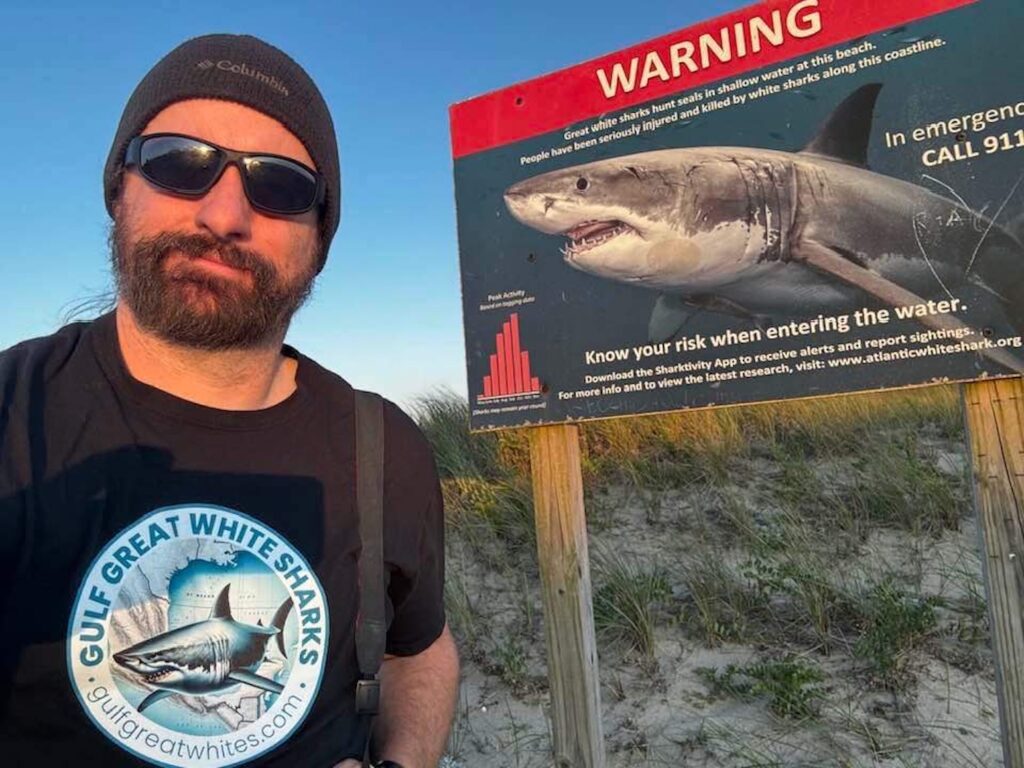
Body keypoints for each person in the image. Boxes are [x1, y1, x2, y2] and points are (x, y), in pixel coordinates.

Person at [0, 34, 459, 768]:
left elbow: (417, 650)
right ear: (118, 188)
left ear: (319, 239)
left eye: (280, 186)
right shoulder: (11, 414)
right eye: (179, 163)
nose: (223, 215)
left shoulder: (385, 450)